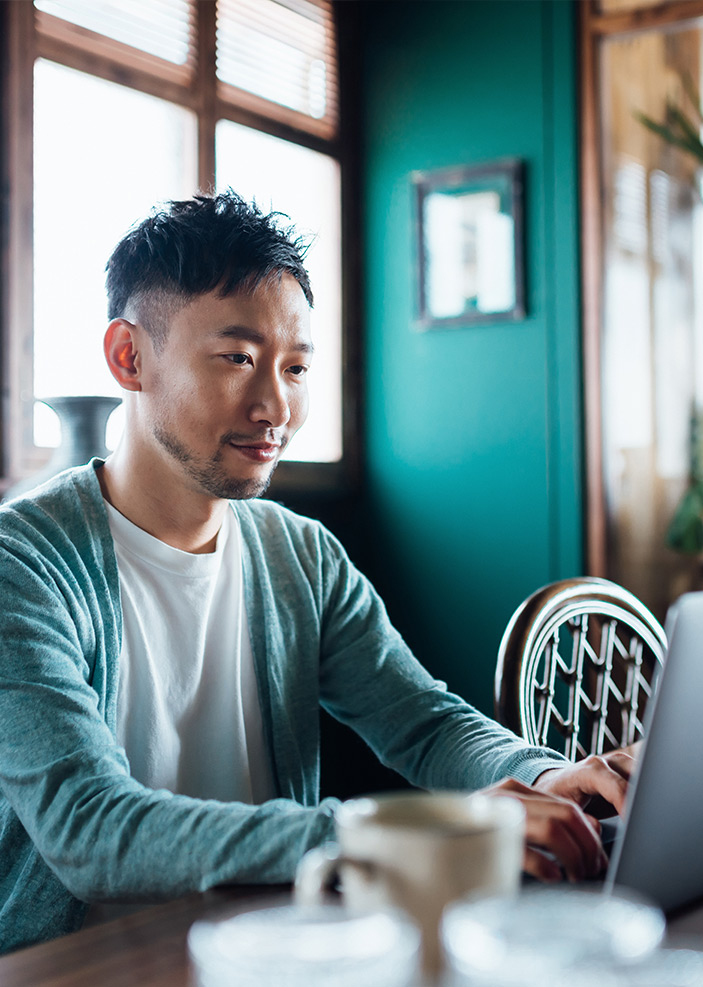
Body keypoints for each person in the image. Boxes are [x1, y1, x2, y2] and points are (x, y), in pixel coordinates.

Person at [0, 191, 633, 955]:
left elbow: (424, 723)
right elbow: (88, 828)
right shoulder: (23, 561)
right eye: (238, 358)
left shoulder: (301, 554)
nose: (275, 406)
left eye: (295, 367)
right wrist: (387, 834)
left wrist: (541, 775)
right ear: (130, 357)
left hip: (279, 955)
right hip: (81, 969)